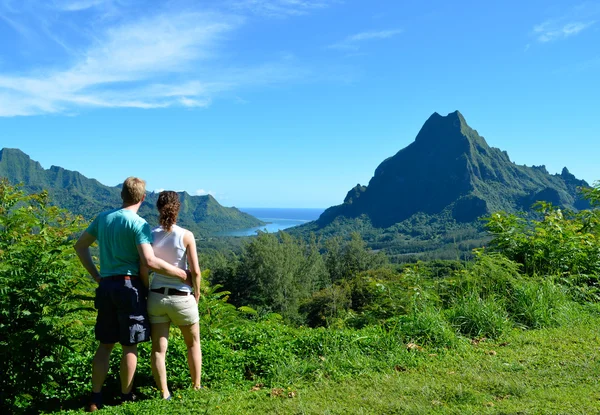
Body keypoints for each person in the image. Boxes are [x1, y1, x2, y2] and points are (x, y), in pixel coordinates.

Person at [74, 177, 190, 412]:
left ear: (122, 195)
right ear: (143, 197)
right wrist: (179, 272)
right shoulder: (139, 224)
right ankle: (125, 395)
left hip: (106, 285)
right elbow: (148, 261)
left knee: (105, 344)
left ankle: (96, 397)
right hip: (129, 287)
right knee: (130, 345)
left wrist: (97, 276)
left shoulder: (103, 218)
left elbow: (80, 246)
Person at [143, 191, 202, 399]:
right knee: (193, 344)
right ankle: (196, 386)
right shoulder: (186, 235)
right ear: (178, 209)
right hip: (181, 297)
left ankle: (164, 393)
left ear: (158, 208)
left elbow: (146, 267)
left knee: (159, 349)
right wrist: (197, 292)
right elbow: (195, 271)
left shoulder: (149, 234)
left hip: (156, 297)